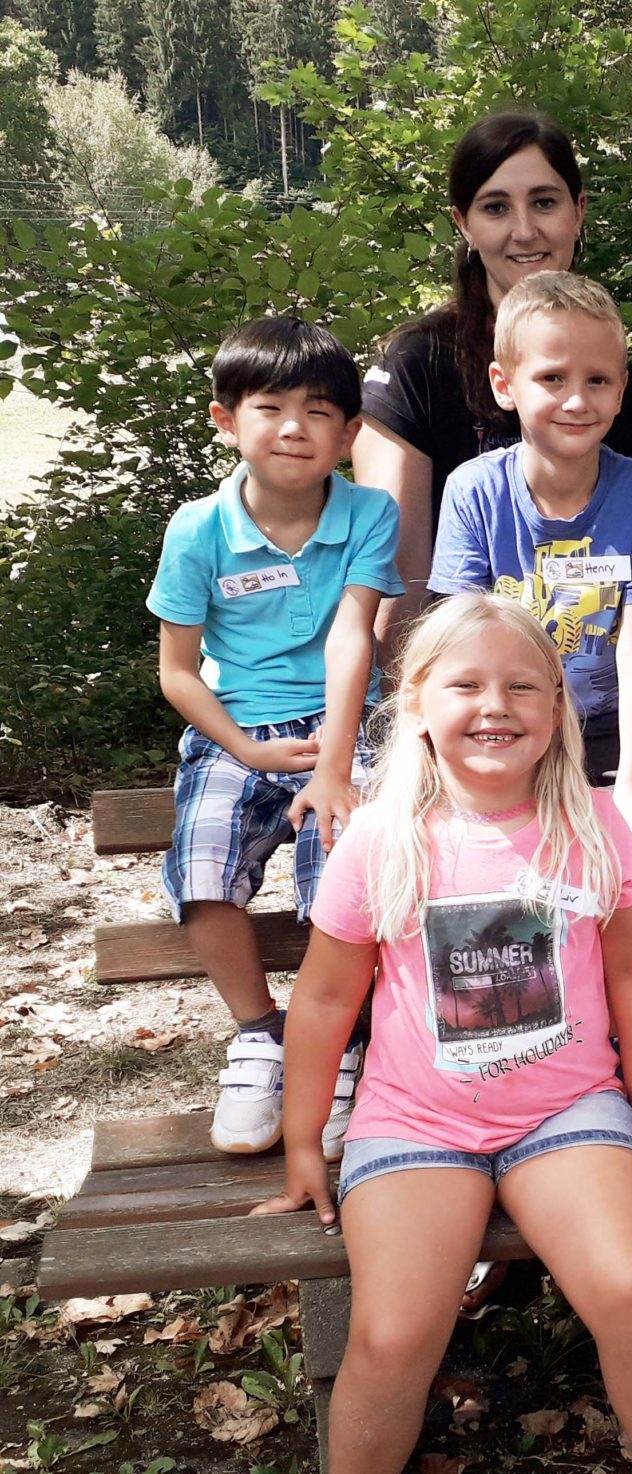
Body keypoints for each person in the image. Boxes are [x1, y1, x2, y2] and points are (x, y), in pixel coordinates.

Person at [251, 596, 632, 1474]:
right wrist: (304, 1137)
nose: (494, 706)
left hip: (566, 1111)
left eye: (522, 685)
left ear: (559, 707)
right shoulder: (383, 837)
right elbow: (323, 1000)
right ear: (416, 704)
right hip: (416, 1120)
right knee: (393, 1330)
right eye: (465, 684)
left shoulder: (594, 826)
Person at [148, 315, 400, 1157]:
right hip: (237, 730)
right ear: (226, 420)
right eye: (271, 407)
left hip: (345, 723)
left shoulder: (368, 512)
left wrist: (336, 764)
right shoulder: (198, 529)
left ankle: (342, 1043)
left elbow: (352, 635)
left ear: (350, 434)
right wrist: (247, 748)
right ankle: (261, 1033)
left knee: (352, 863)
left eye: (319, 411)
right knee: (203, 862)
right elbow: (178, 672)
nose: (295, 427)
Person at [357, 111, 632, 636]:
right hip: (456, 663)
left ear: (578, 211)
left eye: (544, 202)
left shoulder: (612, 375)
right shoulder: (414, 366)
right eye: (496, 207)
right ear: (464, 224)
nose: (524, 231)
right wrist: (410, 688)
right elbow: (396, 582)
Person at [428, 271, 632, 873]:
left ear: (621, 390)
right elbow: (458, 643)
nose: (576, 400)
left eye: (597, 380)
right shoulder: (475, 491)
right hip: (504, 727)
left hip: (607, 731)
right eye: (552, 378)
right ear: (505, 384)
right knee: (500, 871)